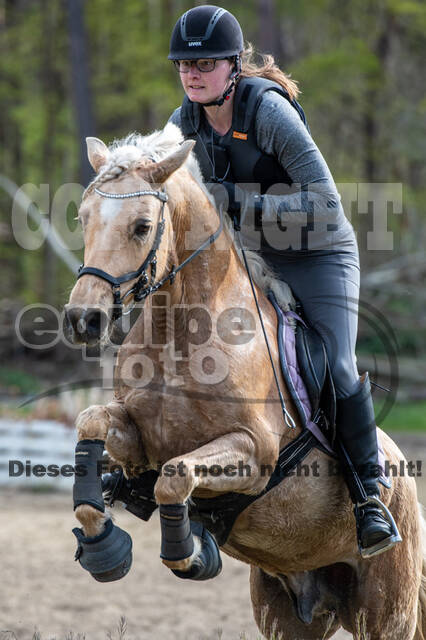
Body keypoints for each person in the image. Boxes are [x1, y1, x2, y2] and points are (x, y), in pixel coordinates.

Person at [103, 5, 400, 560]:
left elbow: (325, 205)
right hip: (251, 255)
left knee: (332, 364)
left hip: (318, 254)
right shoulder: (185, 122)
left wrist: (230, 199)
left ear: (234, 67)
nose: (193, 74)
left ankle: (369, 497)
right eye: (183, 65)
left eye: (206, 63)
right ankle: (139, 475)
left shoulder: (268, 113)